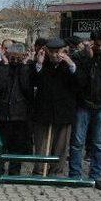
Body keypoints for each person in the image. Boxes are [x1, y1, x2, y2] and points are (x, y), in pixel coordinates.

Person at [31, 38, 77, 177]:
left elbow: (78, 85)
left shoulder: (71, 65)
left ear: (64, 51)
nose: (55, 55)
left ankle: (56, 172)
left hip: (63, 112)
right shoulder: (42, 64)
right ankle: (39, 171)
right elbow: (34, 82)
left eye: (58, 52)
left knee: (60, 145)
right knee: (41, 143)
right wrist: (38, 64)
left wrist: (71, 65)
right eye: (51, 52)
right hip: (44, 111)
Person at [68, 30, 101, 189]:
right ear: (92, 43)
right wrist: (88, 57)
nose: (100, 48)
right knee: (77, 142)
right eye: (97, 45)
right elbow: (79, 79)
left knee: (99, 143)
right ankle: (75, 175)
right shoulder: (82, 57)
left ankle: (96, 176)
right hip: (83, 104)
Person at [0, 43, 34, 175]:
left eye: (18, 58)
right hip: (3, 112)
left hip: (20, 113)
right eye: (12, 57)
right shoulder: (1, 66)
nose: (15, 61)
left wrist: (23, 66)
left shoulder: (27, 67)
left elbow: (26, 87)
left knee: (17, 145)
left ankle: (15, 171)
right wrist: (5, 65)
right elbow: (1, 86)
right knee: (2, 143)